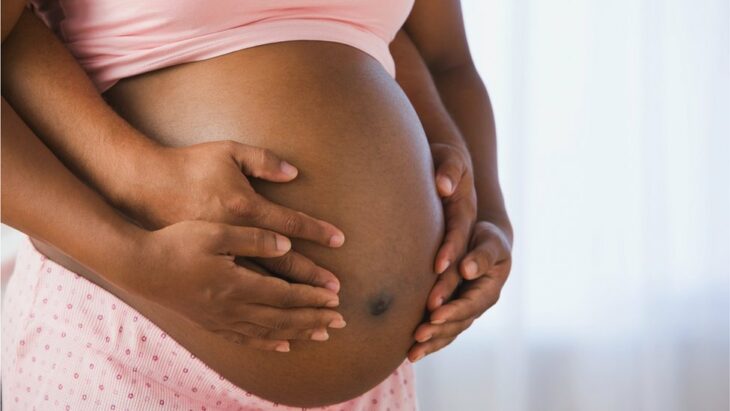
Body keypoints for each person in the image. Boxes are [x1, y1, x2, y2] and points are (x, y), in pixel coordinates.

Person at [1, 0, 513, 409]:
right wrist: (136, 255)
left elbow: (447, 61)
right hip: (131, 348)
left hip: (370, 388)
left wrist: (489, 217)